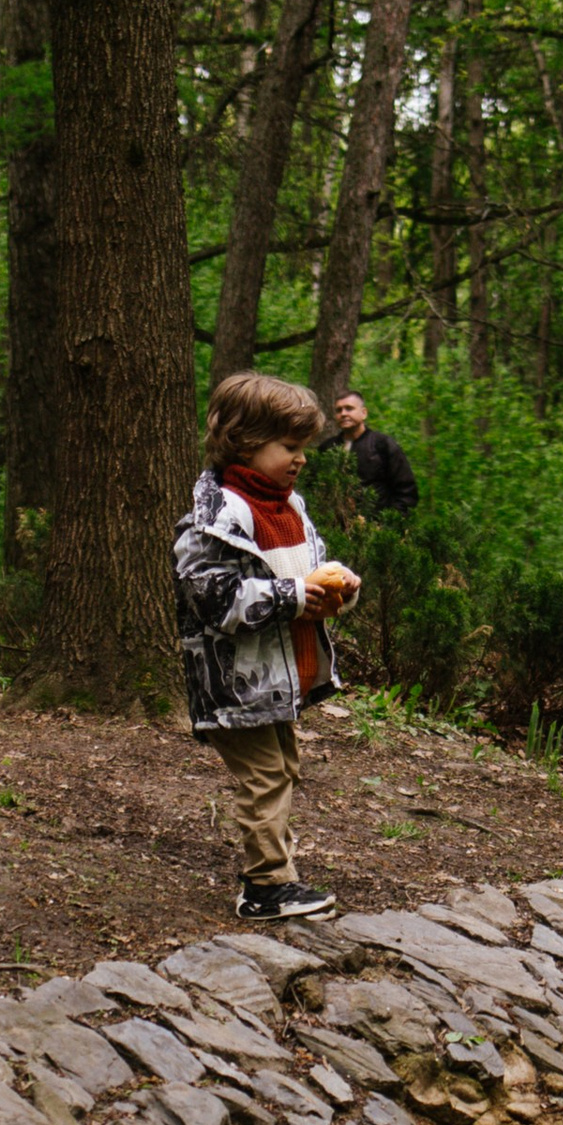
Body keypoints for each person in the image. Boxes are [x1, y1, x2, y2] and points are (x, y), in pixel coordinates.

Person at [175, 372, 359, 922]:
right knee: (265, 778)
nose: (301, 458)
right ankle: (266, 887)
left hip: (280, 676)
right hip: (239, 679)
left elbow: (310, 569)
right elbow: (214, 598)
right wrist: (293, 596)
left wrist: (337, 588)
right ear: (245, 442)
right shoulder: (219, 517)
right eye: (289, 447)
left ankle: (276, 869)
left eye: (303, 447)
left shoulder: (290, 505)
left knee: (282, 771)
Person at [329, 389, 418, 514]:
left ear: (364, 413)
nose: (343, 414)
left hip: (376, 527)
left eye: (349, 408)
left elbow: (406, 491)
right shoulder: (328, 448)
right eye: (339, 410)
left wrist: (388, 524)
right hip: (334, 526)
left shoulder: (383, 445)